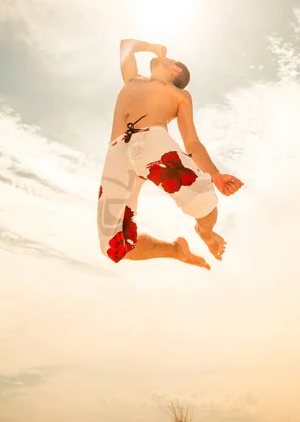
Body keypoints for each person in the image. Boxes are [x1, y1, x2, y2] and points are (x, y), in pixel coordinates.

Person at [97, 39, 243, 270]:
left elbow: (192, 141)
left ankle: (205, 233)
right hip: (116, 151)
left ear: (176, 69)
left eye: (170, 60)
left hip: (153, 141)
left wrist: (214, 174)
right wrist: (153, 47)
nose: (160, 58)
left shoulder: (179, 95)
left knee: (203, 198)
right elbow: (126, 45)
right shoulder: (133, 79)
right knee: (113, 246)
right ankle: (176, 251)